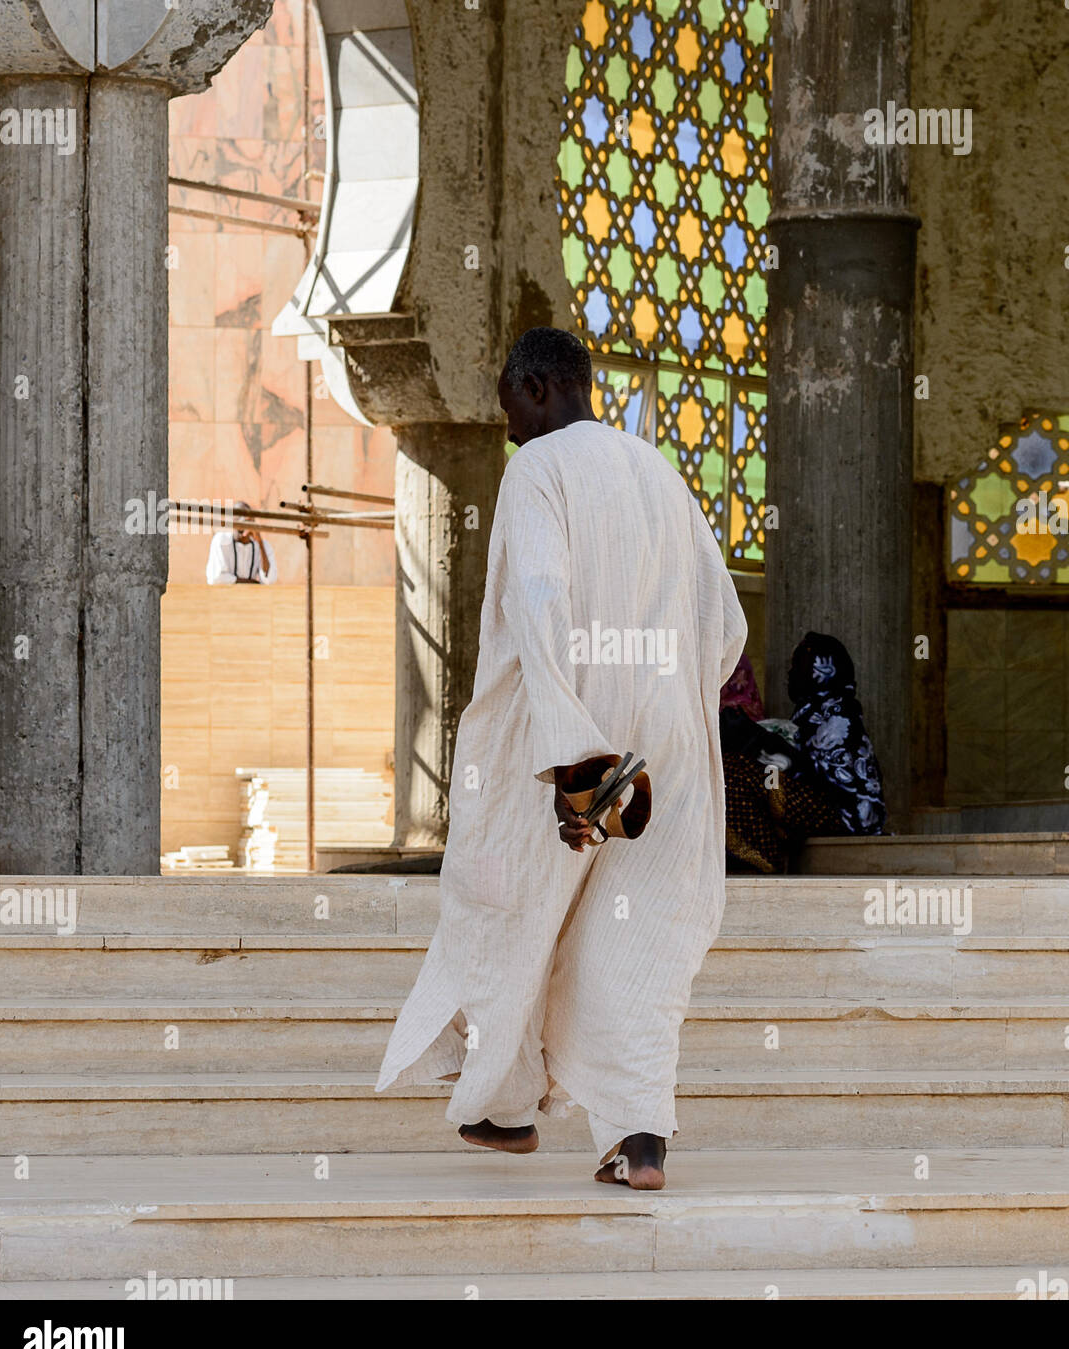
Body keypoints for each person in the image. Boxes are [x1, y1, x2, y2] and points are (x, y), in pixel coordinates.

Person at [375, 326, 746, 1190]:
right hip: (670, 754)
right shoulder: (661, 474)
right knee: (639, 940)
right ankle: (639, 1140)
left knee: (504, 912)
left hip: (572, 752)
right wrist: (668, 699)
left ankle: (502, 1109)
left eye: (511, 412)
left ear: (540, 389)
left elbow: (539, 597)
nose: (507, 432)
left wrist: (572, 755)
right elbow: (725, 626)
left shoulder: (538, 470)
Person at [722, 632, 885, 872]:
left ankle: (763, 860)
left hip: (843, 819)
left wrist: (759, 743)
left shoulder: (836, 717)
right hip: (831, 811)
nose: (789, 674)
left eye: (798, 666)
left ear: (822, 671)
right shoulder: (817, 713)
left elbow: (811, 777)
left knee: (733, 772)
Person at [205, 503, 276, 585]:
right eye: (238, 517)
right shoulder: (221, 540)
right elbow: (216, 578)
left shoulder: (263, 545)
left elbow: (269, 580)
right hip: (225, 595)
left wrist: (260, 544)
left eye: (247, 519)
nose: (243, 521)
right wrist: (251, 583)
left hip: (251, 596)